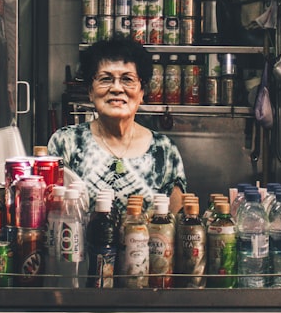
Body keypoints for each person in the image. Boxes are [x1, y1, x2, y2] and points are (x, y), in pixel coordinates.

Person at [48, 37, 187, 214]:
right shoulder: (66, 143)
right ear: (91, 91)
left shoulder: (164, 150)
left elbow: (177, 222)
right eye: (106, 79)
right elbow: (53, 214)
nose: (116, 88)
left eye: (127, 79)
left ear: (141, 92)